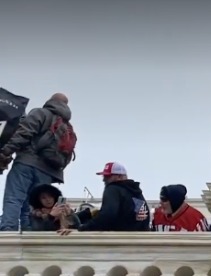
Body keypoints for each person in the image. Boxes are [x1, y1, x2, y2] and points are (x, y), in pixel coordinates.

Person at [0, 93, 76, 231]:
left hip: (26, 163)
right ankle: (29, 231)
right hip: (48, 171)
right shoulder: (67, 126)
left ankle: (7, 231)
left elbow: (24, 133)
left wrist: (5, 152)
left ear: (50, 101)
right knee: (34, 204)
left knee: (14, 198)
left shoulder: (41, 113)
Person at [64, 162, 150, 233]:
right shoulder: (137, 194)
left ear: (119, 177)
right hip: (139, 243)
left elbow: (108, 216)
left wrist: (83, 228)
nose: (104, 179)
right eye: (104, 176)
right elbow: (143, 217)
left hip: (119, 243)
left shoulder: (113, 188)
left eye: (108, 176)